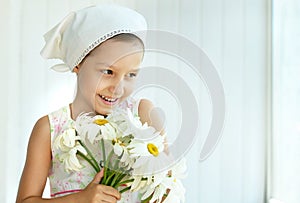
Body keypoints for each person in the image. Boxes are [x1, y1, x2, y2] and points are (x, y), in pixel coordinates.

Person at [16, 4, 163, 203]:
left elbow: (166, 183)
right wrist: (80, 199)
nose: (118, 89)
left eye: (131, 75)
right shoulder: (50, 129)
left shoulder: (143, 114)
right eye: (108, 72)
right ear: (78, 63)